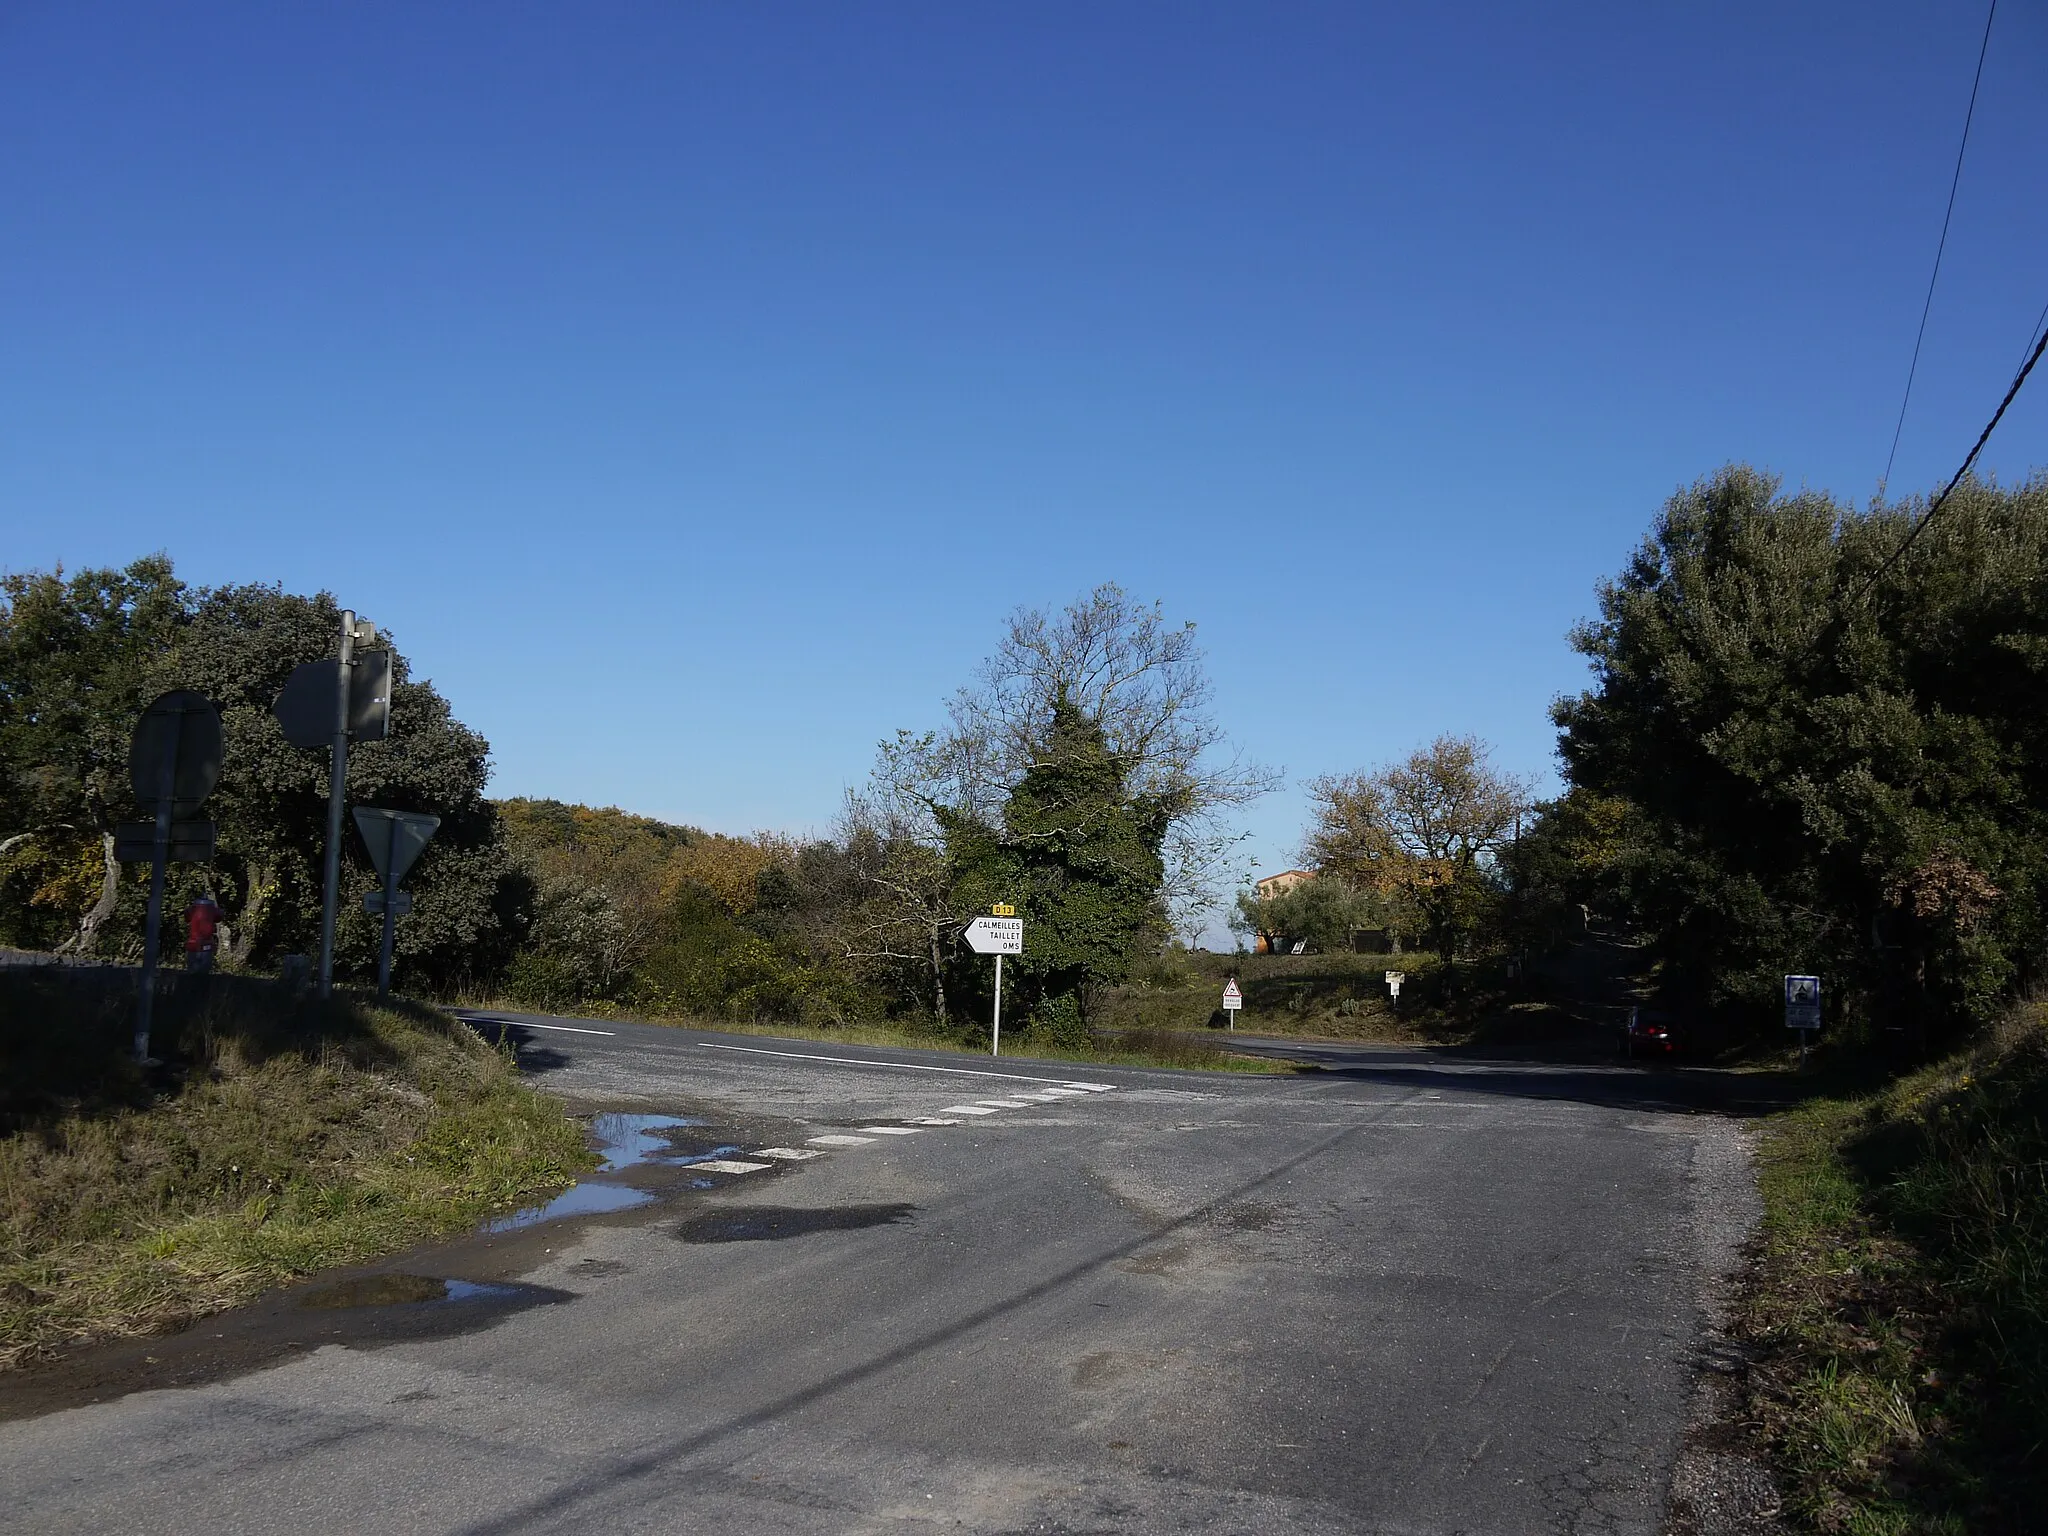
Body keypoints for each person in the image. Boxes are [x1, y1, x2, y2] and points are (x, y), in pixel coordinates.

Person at [185, 893, 221, 974]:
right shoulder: (212, 909)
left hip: (193, 942)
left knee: (191, 971)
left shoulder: (192, 909)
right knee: (204, 973)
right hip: (206, 943)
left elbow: (186, 917)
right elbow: (219, 916)